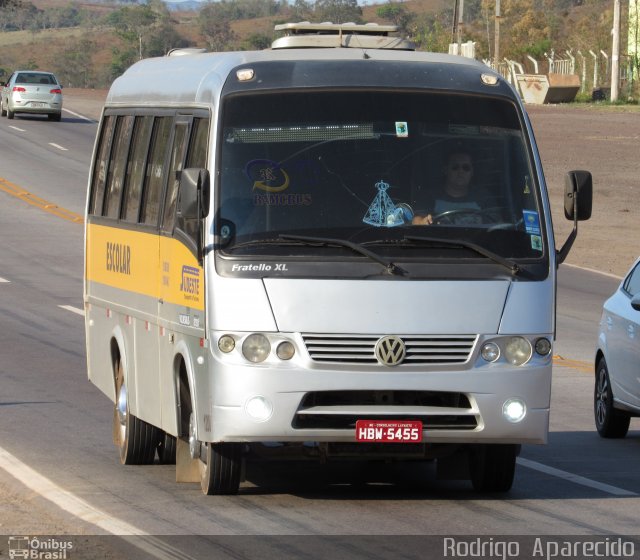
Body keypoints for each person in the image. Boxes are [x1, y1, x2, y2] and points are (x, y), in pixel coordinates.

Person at [412, 150, 485, 225]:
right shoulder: (429, 197)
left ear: (472, 172)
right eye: (455, 167)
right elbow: (417, 221)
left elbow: (494, 224)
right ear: (445, 170)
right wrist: (424, 222)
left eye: (466, 167)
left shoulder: (483, 198)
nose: (460, 171)